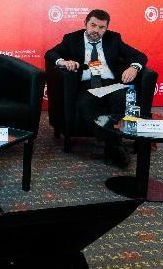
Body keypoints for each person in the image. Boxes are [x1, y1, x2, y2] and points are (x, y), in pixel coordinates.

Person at [45, 9, 147, 168]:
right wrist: (63, 62)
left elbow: (140, 56)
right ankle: (114, 145)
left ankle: (112, 147)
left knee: (121, 98)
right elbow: (50, 53)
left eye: (101, 27)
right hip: (86, 84)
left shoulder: (114, 39)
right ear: (85, 23)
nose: (96, 30)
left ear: (106, 28)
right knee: (85, 103)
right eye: (93, 25)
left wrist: (134, 67)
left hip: (110, 82)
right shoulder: (72, 39)